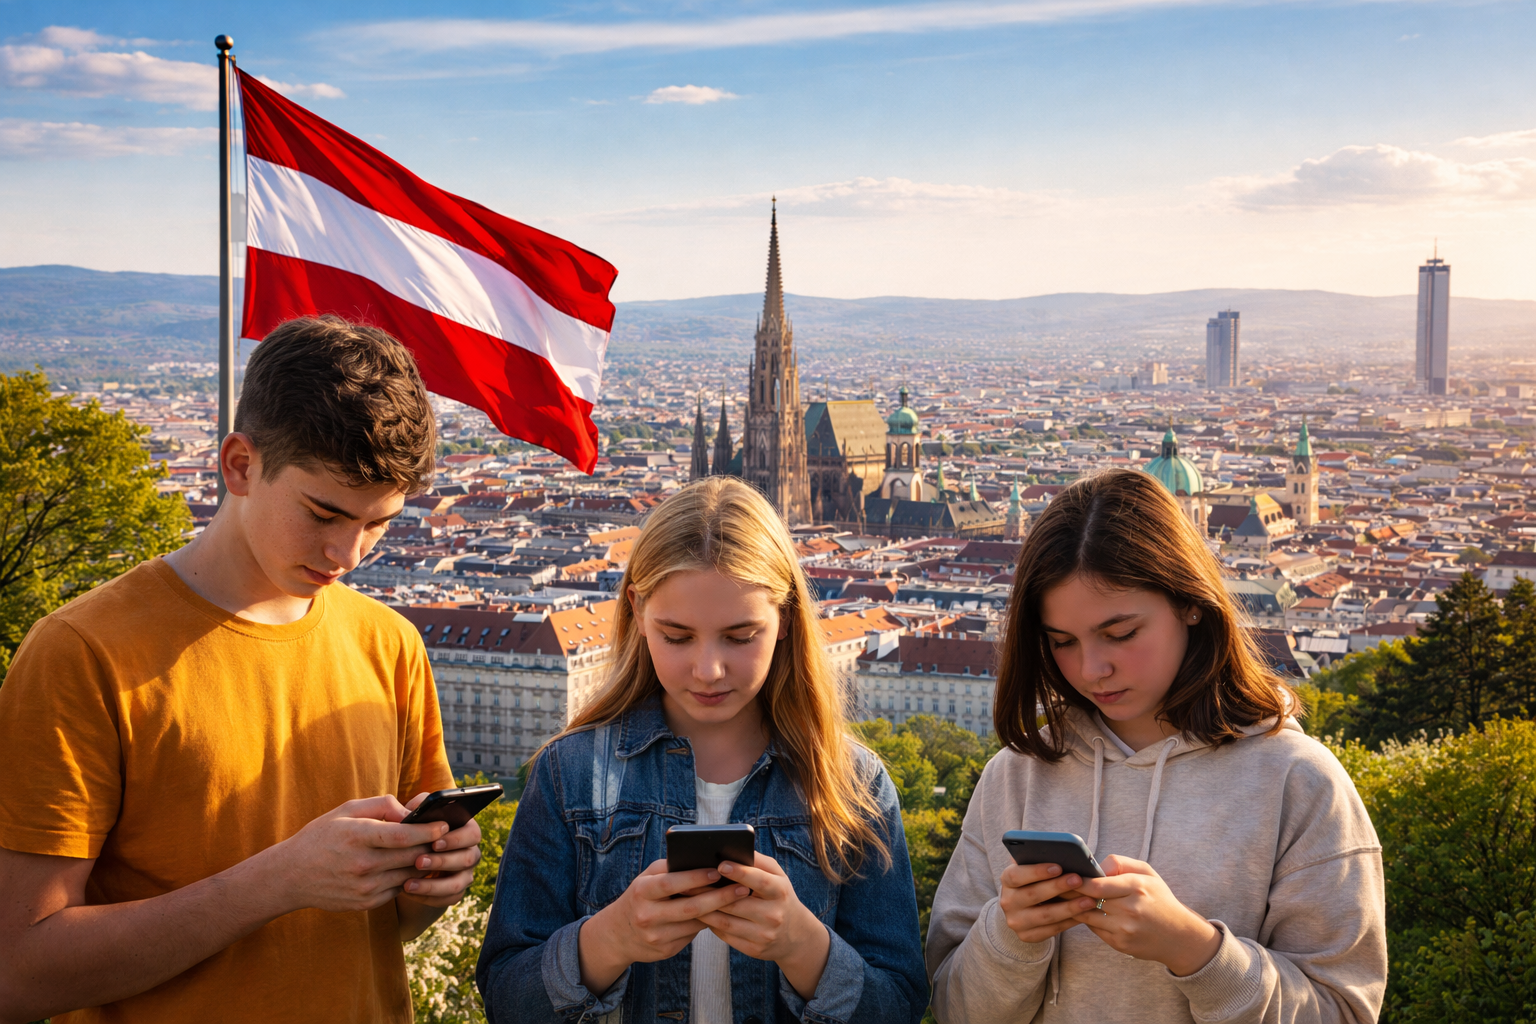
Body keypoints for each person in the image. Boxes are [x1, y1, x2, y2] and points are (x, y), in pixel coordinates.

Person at [0, 316, 482, 1023]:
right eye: (323, 513)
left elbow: (375, 932)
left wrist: (430, 883)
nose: (348, 554)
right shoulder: (83, 652)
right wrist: (277, 881)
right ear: (238, 465)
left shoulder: (391, 642)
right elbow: (17, 974)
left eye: (379, 523)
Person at [927, 469, 1387, 1023]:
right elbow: (952, 1008)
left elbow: (1345, 1012)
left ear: (1190, 602)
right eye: (1063, 643)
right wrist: (1010, 936)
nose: (1092, 669)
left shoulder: (1298, 781)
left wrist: (1194, 951)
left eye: (1120, 634)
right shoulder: (1016, 776)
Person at [477, 476, 928, 1024]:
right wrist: (610, 938)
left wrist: (802, 945)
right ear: (637, 613)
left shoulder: (855, 783)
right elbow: (504, 998)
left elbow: (901, 1005)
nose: (708, 669)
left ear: (785, 618)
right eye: (677, 635)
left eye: (740, 637)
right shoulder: (569, 774)